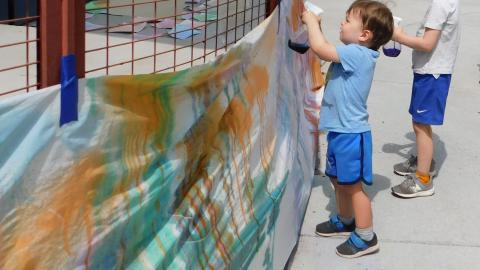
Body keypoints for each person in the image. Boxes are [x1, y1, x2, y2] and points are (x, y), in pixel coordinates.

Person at [301, 0, 393, 258]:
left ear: (364, 35)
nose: (342, 22)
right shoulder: (354, 51)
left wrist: (310, 22)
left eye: (348, 20)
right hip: (340, 131)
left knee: (352, 186)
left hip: (352, 134)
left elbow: (321, 48)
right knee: (337, 178)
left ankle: (366, 236)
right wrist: (316, 26)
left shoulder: (359, 54)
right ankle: (345, 219)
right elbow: (328, 48)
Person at [390, 0, 460, 198]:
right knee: (419, 122)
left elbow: (427, 44)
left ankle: (422, 179)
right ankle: (425, 161)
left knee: (421, 124)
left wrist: (397, 36)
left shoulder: (441, 4)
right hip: (430, 71)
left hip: (433, 74)